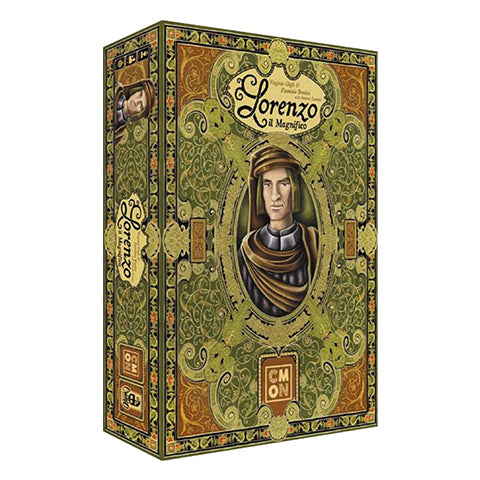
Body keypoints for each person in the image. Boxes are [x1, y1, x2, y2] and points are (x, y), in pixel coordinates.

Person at [238, 146, 318, 317]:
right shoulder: (246, 251)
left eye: (283, 184)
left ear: (294, 189)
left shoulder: (314, 243)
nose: (275, 196)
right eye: (267, 185)